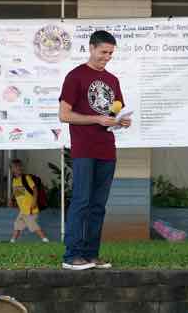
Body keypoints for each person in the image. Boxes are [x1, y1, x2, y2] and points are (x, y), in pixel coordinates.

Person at [58, 30, 131, 271]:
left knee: (99, 205)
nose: (107, 57)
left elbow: (113, 113)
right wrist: (96, 119)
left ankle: (91, 254)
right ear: (91, 48)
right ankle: (72, 255)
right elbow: (64, 115)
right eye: (103, 52)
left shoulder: (113, 80)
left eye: (110, 53)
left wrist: (120, 121)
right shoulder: (75, 76)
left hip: (107, 150)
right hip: (84, 149)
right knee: (82, 201)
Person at [9, 159, 49, 243]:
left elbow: (35, 190)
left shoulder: (26, 178)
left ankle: (45, 240)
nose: (18, 168)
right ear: (12, 169)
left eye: (19, 166)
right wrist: (12, 199)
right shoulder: (15, 180)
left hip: (30, 209)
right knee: (17, 225)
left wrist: (34, 201)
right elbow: (18, 192)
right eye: (15, 167)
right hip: (23, 210)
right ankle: (12, 241)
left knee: (33, 225)